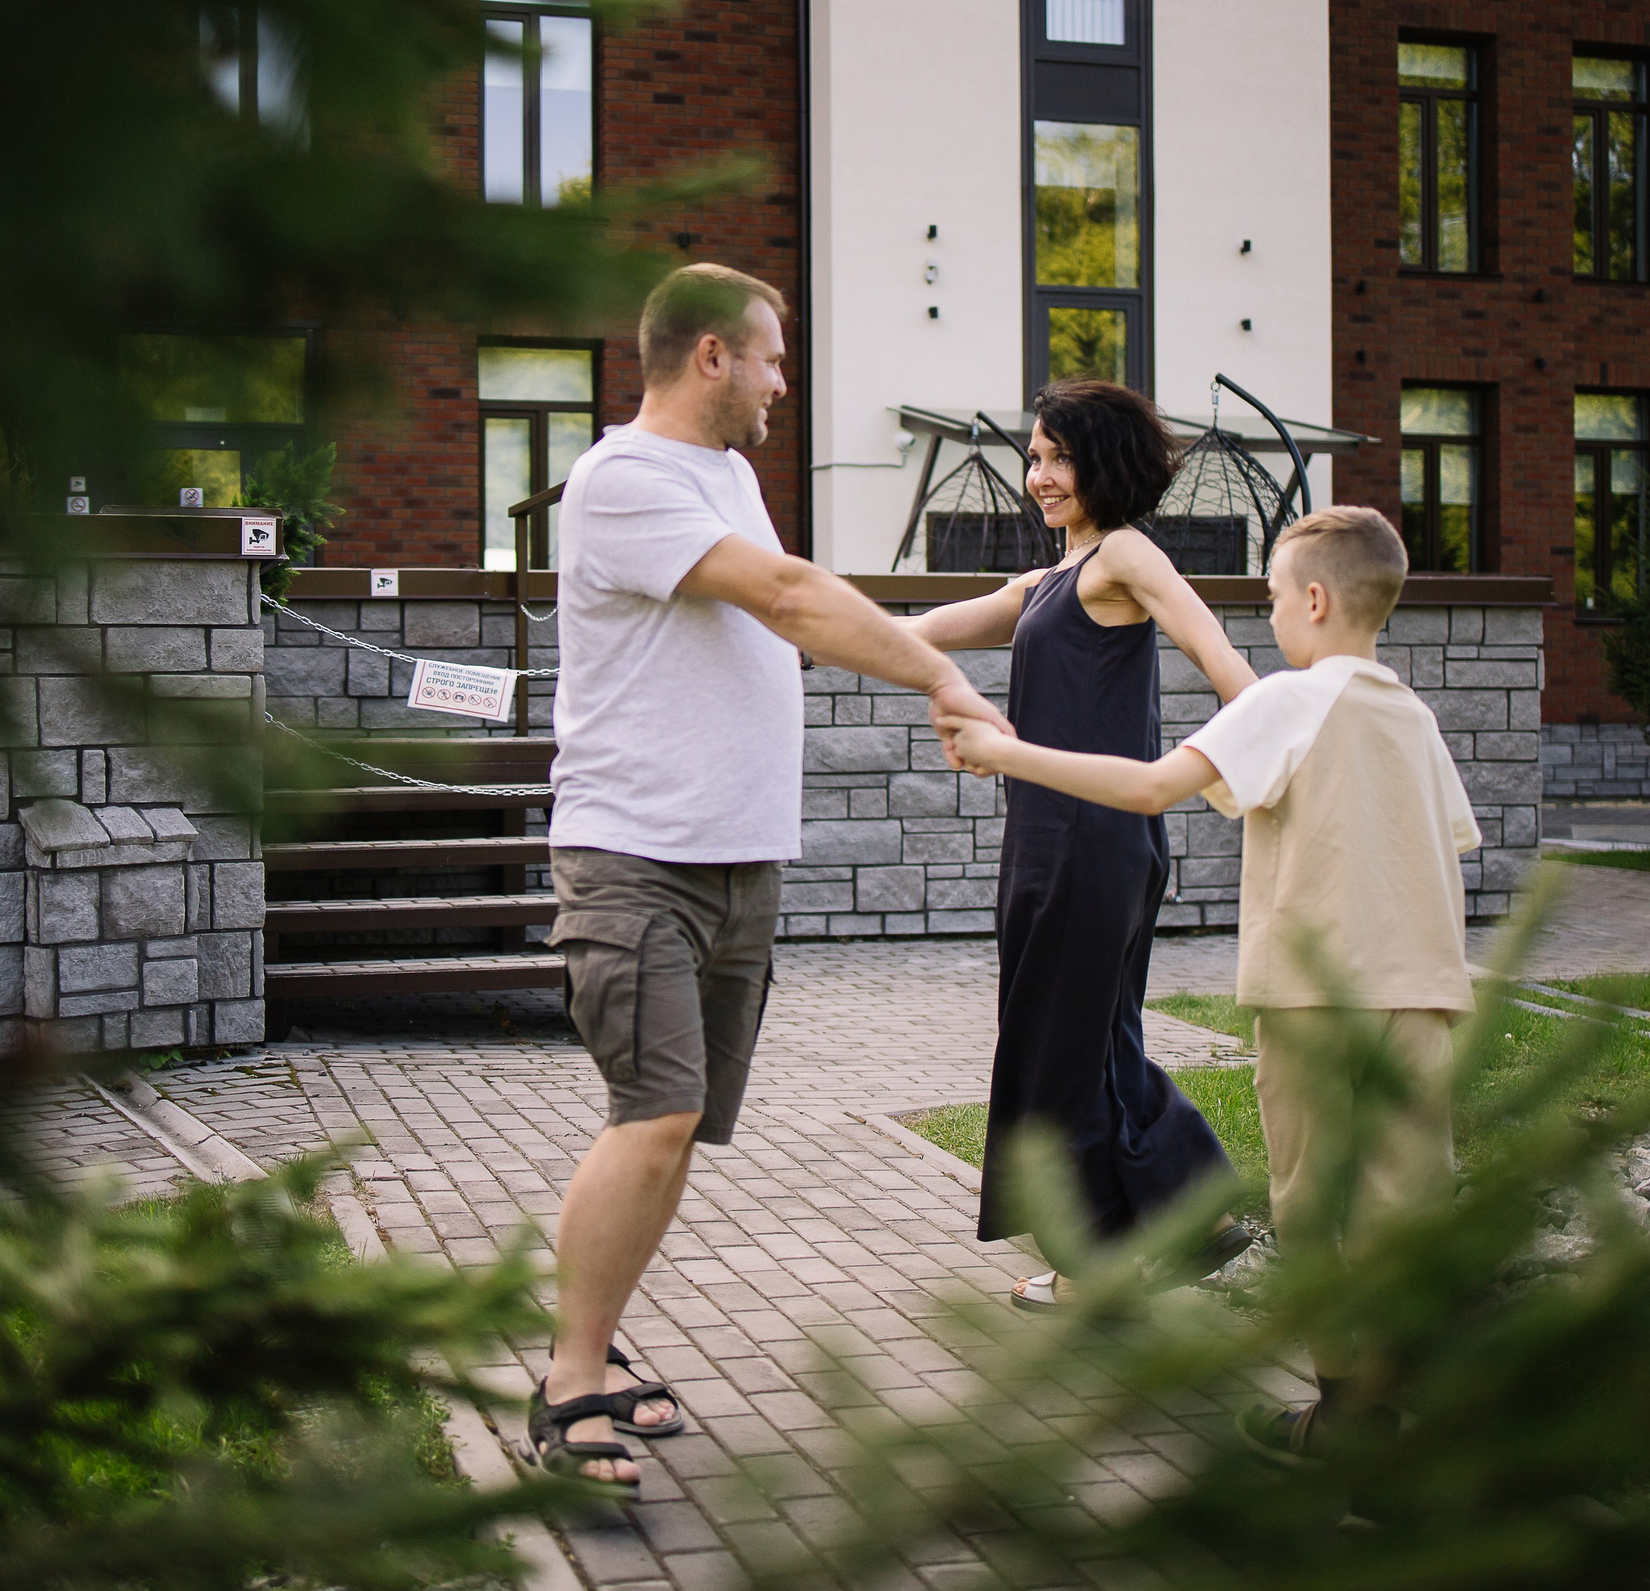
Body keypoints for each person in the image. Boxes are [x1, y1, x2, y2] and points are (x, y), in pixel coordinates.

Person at [533, 263, 1011, 1490]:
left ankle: (591, 1339)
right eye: (772, 360)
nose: (781, 386)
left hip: (738, 858)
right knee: (657, 1112)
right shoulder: (625, 477)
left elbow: (784, 611)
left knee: (674, 1128)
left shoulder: (730, 476)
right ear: (710, 358)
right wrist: (938, 678)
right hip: (637, 855)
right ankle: (568, 1380)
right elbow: (790, 599)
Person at [940, 505, 1479, 1455]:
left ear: (1313, 600)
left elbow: (1150, 787)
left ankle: (1345, 1417)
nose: (1269, 618)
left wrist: (1004, 751)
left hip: (1315, 1001)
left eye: (1272, 598)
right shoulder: (1413, 713)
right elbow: (1447, 844)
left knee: (1311, 1209)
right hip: (1426, 995)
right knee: (1410, 1212)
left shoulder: (1289, 698)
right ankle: (1411, 1424)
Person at [902, 379, 1259, 1309]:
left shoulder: (1127, 556)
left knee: (1060, 1050)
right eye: (1034, 457)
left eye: (1059, 457)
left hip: (1088, 839)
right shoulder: (1055, 576)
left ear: (1102, 464)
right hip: (1057, 837)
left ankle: (1098, 1265)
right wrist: (802, 636)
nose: (1040, 475)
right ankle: (1187, 1207)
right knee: (1093, 1041)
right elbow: (923, 631)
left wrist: (1281, 743)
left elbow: (1224, 662)